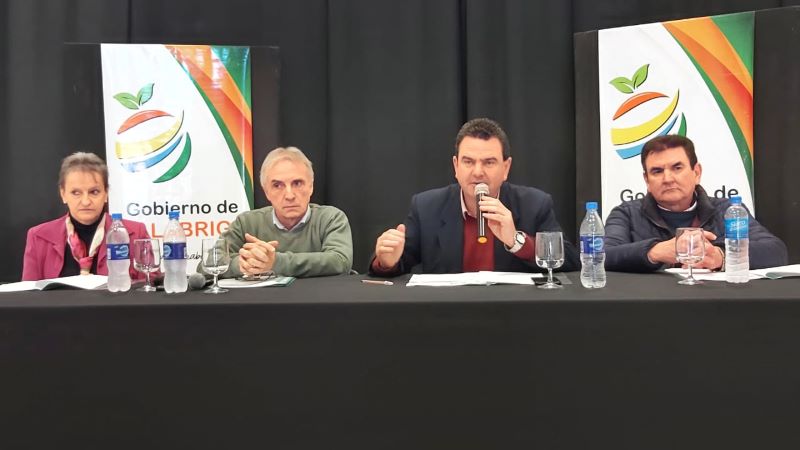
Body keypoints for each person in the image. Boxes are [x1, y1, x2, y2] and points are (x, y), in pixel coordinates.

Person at [370, 118, 579, 276]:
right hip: (448, 313)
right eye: (468, 162)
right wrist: (387, 261)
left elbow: (570, 261)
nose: (478, 172)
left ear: (506, 168)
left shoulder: (534, 204)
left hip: (512, 313)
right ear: (456, 166)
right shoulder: (426, 207)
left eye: (489, 162)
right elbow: (399, 260)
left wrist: (516, 241)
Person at [605, 134, 788, 272]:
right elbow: (602, 255)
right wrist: (655, 252)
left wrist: (720, 256)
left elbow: (776, 251)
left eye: (677, 168)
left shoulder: (726, 210)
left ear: (696, 172)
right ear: (647, 180)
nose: (668, 178)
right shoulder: (627, 213)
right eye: (657, 171)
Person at [211, 146, 353, 278]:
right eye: (277, 185)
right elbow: (211, 263)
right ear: (266, 192)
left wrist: (275, 262)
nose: (289, 195)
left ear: (311, 187)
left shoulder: (331, 218)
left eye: (297, 183)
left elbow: (341, 261)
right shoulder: (246, 222)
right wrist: (243, 264)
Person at [22, 152, 150, 281]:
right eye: (76, 192)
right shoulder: (38, 237)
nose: (85, 201)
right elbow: (28, 291)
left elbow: (151, 287)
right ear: (63, 194)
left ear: (106, 193)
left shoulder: (136, 233)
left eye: (94, 192)